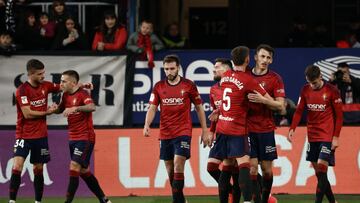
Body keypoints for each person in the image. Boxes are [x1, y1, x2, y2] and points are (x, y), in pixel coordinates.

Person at [209, 46, 272, 203]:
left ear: (232, 61)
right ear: (247, 60)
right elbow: (268, 99)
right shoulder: (248, 80)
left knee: (227, 167)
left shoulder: (225, 77)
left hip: (222, 128)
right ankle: (248, 201)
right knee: (245, 166)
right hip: (237, 130)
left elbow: (227, 99)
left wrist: (219, 112)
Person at [143, 55, 209, 203]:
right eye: (166, 69)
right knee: (170, 169)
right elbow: (152, 108)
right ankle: (180, 199)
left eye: (172, 68)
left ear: (178, 68)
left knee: (179, 163)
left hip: (183, 131)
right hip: (165, 132)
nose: (169, 72)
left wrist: (205, 130)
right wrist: (147, 124)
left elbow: (199, 108)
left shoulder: (189, 85)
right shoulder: (159, 86)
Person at [288, 65, 343, 203]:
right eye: (310, 83)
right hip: (312, 136)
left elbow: (339, 116)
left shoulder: (332, 90)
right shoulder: (305, 90)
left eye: (315, 83)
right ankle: (333, 202)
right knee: (320, 174)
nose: (312, 86)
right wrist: (292, 128)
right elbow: (299, 110)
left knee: (322, 167)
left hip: (327, 136)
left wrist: (335, 137)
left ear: (321, 77)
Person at [56, 70, 111, 203]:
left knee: (74, 166)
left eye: (64, 81)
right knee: (84, 171)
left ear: (73, 82)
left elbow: (92, 107)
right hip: (73, 138)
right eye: (61, 80)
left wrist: (76, 108)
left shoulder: (82, 94)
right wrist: (51, 110)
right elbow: (60, 109)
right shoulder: (65, 95)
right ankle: (104, 199)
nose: (61, 83)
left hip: (85, 137)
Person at [10, 59, 61, 203]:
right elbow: (27, 113)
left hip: (40, 136)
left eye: (43, 73)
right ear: (31, 74)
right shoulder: (22, 90)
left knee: (38, 168)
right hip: (23, 135)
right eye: (40, 74)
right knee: (17, 166)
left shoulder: (46, 86)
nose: (43, 76)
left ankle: (38, 201)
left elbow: (63, 86)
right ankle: (12, 201)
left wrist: (82, 86)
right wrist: (47, 112)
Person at [247, 44, 286, 203]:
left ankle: (265, 198)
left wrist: (263, 100)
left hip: (266, 129)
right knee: (252, 169)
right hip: (247, 129)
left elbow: (281, 106)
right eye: (262, 56)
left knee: (267, 171)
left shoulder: (275, 79)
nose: (265, 60)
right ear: (255, 57)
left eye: (268, 58)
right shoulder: (245, 75)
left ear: (271, 60)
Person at [206, 58, 241, 203]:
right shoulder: (213, 89)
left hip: (235, 132)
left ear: (227, 69)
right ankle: (232, 190)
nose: (214, 70)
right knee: (211, 166)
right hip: (220, 133)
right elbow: (215, 113)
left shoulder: (235, 86)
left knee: (237, 169)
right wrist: (211, 131)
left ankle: (261, 192)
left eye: (217, 67)